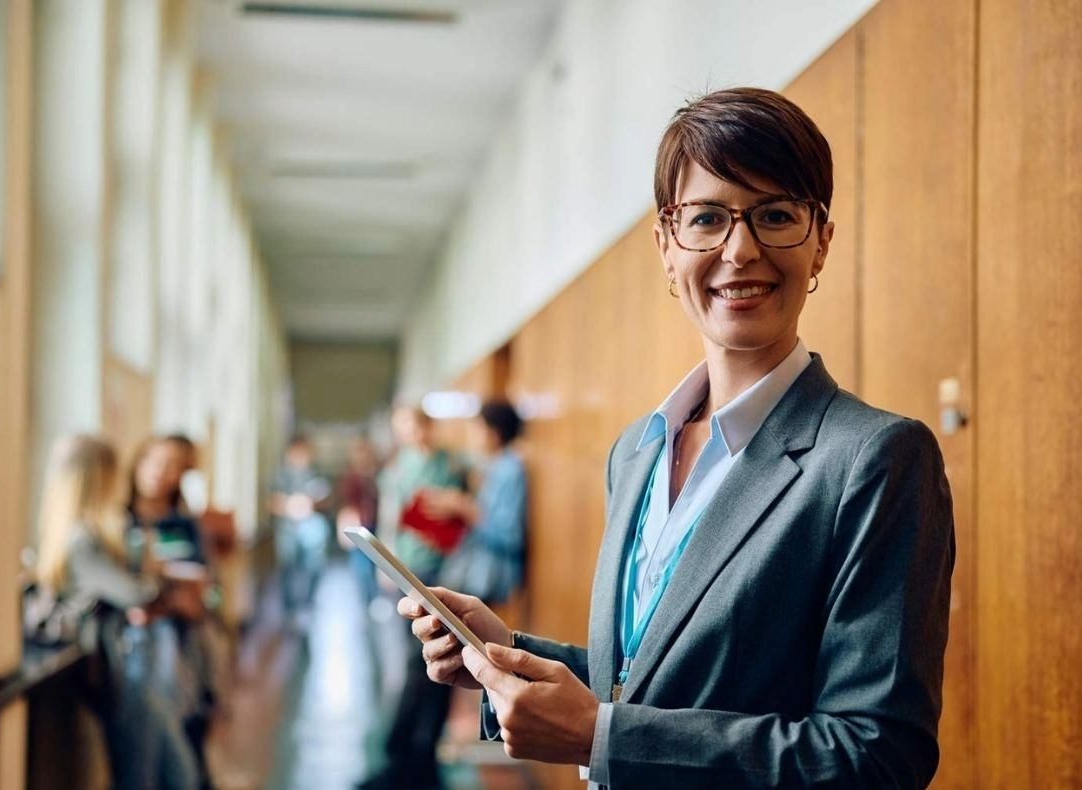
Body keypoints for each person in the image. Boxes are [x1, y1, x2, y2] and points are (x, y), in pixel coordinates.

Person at [398, 87, 955, 789]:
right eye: (707, 218)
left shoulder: (871, 458)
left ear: (820, 243)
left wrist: (600, 736)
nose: (740, 249)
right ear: (666, 245)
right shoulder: (637, 450)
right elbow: (648, 675)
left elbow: (876, 755)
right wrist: (506, 651)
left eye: (776, 215)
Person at [33, 434, 199, 790]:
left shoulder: (94, 533)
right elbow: (136, 592)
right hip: (122, 663)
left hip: (127, 658)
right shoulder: (83, 539)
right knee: (147, 771)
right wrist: (160, 584)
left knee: (172, 768)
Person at [360, 406, 468, 790]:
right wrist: (384, 565)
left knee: (446, 660)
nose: (409, 434)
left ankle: (424, 747)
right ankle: (398, 749)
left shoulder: (449, 465)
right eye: (401, 428)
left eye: (413, 426)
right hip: (410, 571)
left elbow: (462, 513)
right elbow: (389, 519)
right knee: (414, 660)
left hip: (446, 569)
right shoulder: (397, 470)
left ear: (427, 426)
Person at [126, 435, 217, 787]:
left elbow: (206, 589)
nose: (160, 474)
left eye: (171, 468)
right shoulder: (123, 521)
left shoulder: (185, 524)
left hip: (185, 639)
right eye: (155, 463)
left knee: (186, 729)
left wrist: (180, 601)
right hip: (141, 644)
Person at [428, 400, 528, 608]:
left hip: (490, 574)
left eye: (478, 430)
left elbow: (510, 535)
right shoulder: (494, 466)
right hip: (475, 570)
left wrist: (467, 510)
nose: (473, 437)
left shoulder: (511, 471)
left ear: (495, 433)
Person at [268, 435, 333, 619]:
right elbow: (271, 501)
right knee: (288, 566)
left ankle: (308, 601)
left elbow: (326, 498)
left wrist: (310, 504)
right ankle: (289, 608)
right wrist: (290, 506)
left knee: (314, 565)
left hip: (311, 527)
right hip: (288, 528)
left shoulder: (317, 474)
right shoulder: (281, 476)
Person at [336, 438, 383, 604]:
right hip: (358, 526)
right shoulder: (351, 479)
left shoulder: (377, 475)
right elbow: (346, 504)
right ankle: (367, 598)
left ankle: (374, 597)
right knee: (361, 566)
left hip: (375, 525)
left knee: (374, 564)